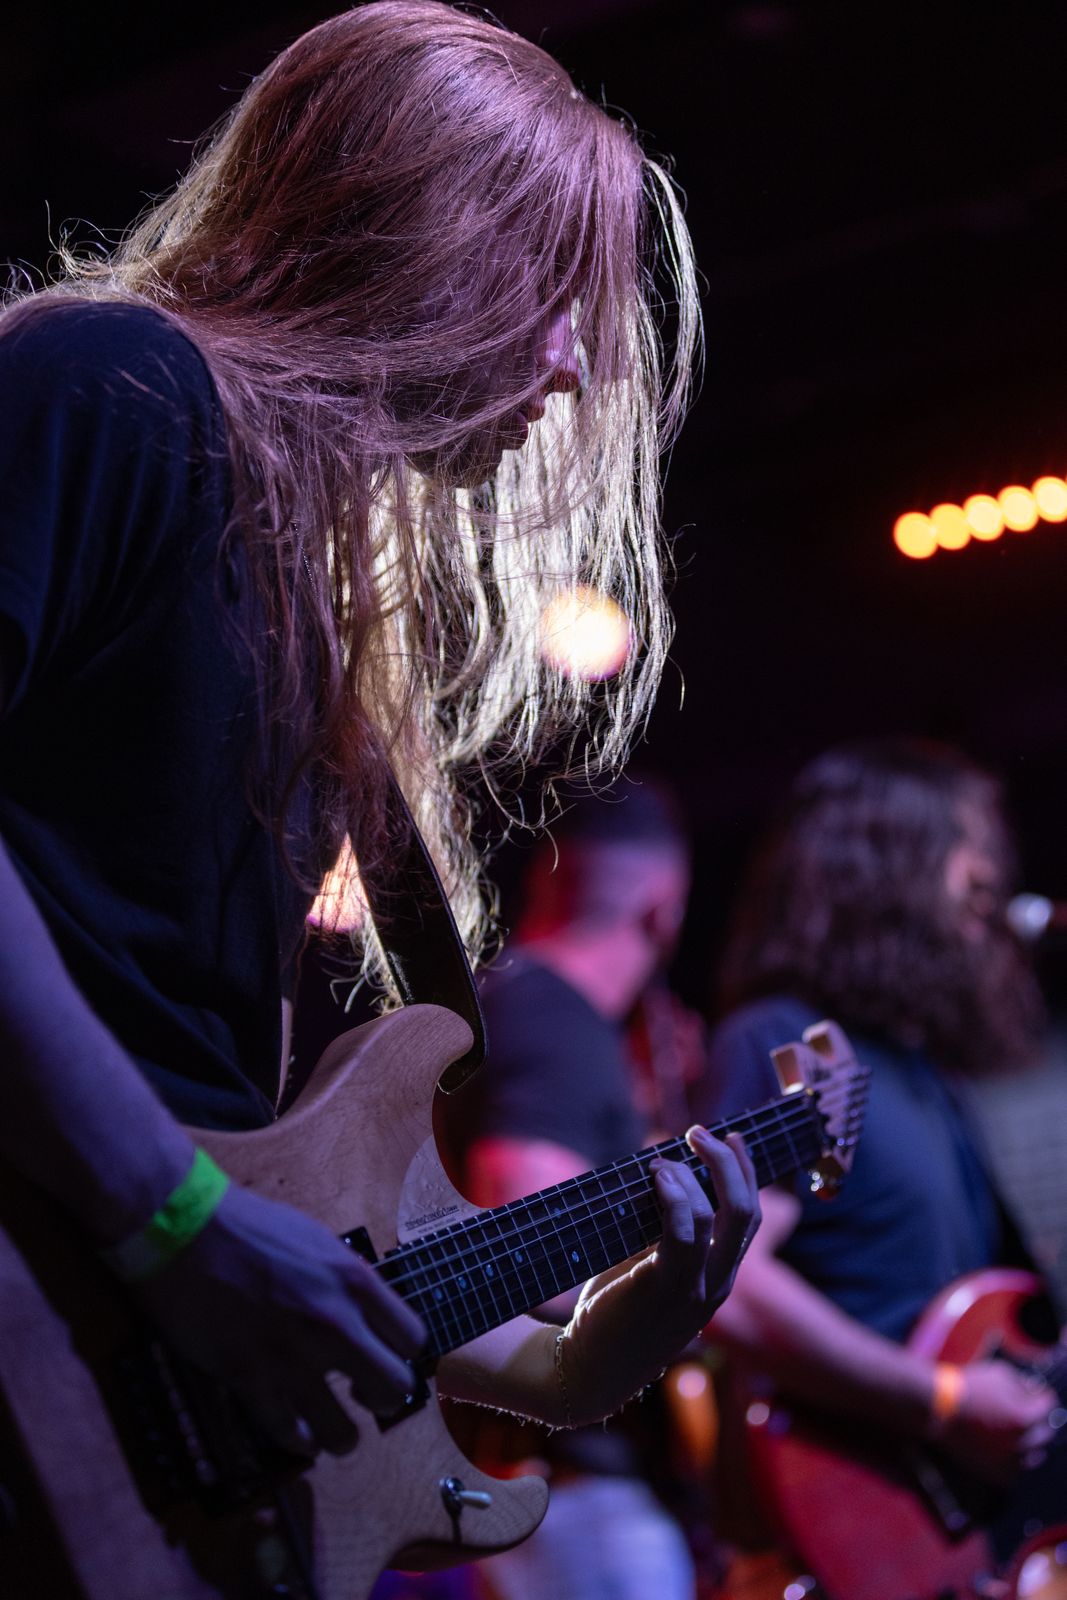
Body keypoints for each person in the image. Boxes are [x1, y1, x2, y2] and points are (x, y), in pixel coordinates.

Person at [0, 0, 759, 1561]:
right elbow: (211, 1215)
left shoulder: (315, 627)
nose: (570, 370)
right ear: (427, 240)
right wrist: (171, 1223)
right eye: (553, 298)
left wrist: (591, 1349)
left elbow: (326, 1221)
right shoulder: (115, 384)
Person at [698, 738, 1063, 1593]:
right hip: (877, 1505)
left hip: (977, 1519)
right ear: (893, 866)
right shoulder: (795, 1043)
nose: (989, 882)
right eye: (967, 849)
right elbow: (730, 1283)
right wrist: (940, 1402)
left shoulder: (917, 1069)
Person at [441, 781, 702, 1600]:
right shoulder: (557, 1022)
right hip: (574, 1491)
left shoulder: (513, 1004)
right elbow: (533, 1257)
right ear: (662, 910)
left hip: (544, 1478)